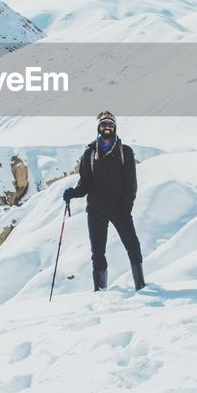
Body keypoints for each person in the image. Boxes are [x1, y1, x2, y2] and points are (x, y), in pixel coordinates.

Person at [62, 110, 144, 291]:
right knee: (97, 253)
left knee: (132, 245)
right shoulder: (89, 154)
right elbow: (85, 184)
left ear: (115, 128)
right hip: (96, 210)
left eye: (110, 125)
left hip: (119, 210)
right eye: (104, 125)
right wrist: (73, 193)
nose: (107, 127)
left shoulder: (125, 152)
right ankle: (99, 291)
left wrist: (126, 208)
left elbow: (131, 185)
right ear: (98, 128)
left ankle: (141, 285)